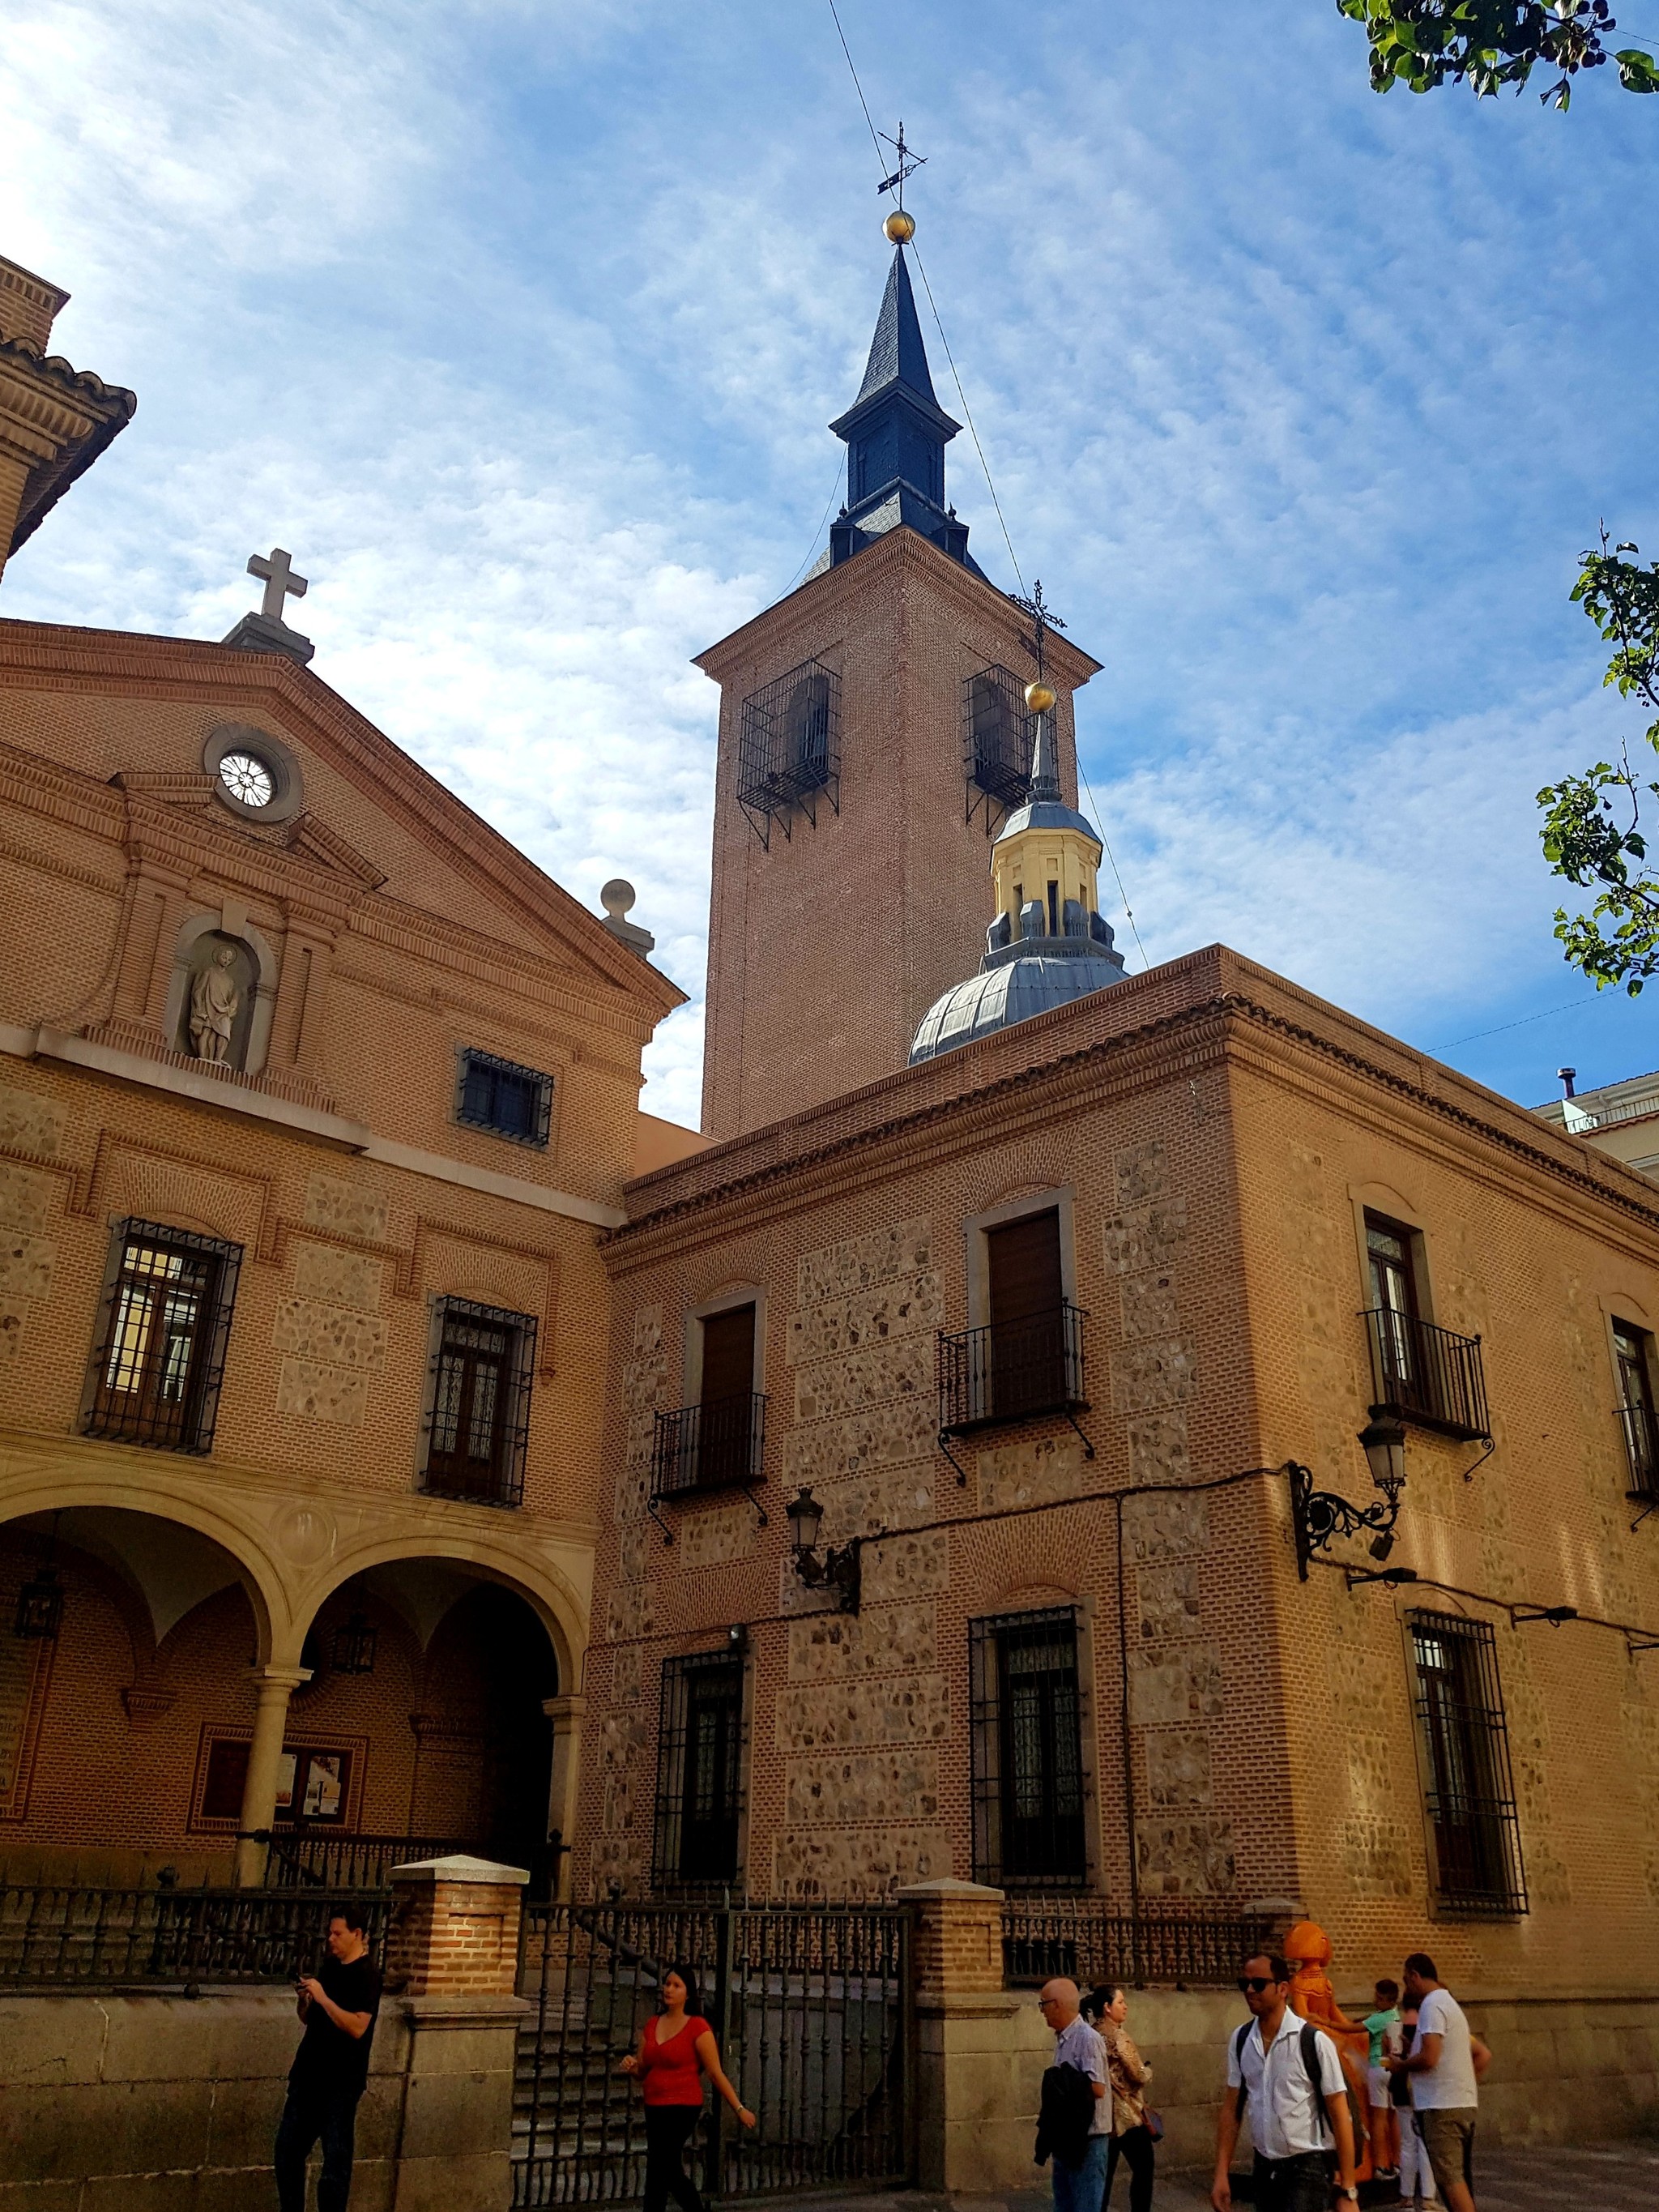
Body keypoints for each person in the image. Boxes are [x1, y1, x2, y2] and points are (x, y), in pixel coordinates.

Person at [1211, 1952, 1358, 2212]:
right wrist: (1222, 2173)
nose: (1249, 1991)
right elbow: (1232, 2110)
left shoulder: (1313, 2041)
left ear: (1282, 1989)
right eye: (1244, 1984)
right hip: (1264, 2167)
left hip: (1307, 2168)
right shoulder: (1242, 2039)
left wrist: (1348, 2187)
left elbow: (1339, 2113)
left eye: (1258, 1984)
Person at [617, 1964, 757, 2212]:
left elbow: (715, 2073)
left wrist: (739, 2108)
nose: (669, 1989)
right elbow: (642, 2071)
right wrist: (632, 2066)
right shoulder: (652, 2024)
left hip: (683, 2105)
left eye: (676, 1985)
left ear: (688, 1994)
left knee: (666, 2166)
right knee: (658, 2167)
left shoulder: (698, 2027)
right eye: (667, 1984)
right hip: (655, 2104)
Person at [274, 1906, 383, 2212]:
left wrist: (324, 1998)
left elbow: (358, 2027)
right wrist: (306, 2002)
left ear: (357, 1935)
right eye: (329, 1933)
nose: (330, 1939)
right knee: (286, 2153)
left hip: (340, 2082)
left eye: (337, 1933)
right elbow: (311, 2020)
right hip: (308, 2074)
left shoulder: (368, 1975)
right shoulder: (330, 1968)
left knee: (335, 2165)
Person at [1387, 1954, 1490, 2212]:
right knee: (1456, 2178)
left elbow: (1430, 2058)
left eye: (1405, 1980)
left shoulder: (1432, 2005)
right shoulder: (1447, 2002)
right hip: (1455, 2103)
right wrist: (1413, 2049)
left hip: (1441, 2108)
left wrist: (1401, 2065)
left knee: (1451, 2180)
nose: (1406, 1987)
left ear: (1414, 1975)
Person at [1035, 1977, 1111, 2212]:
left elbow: (1097, 2087)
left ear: (1056, 2004)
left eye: (1043, 2004)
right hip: (1066, 2138)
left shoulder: (1087, 2038)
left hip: (1087, 2141)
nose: (1042, 2011)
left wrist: (1062, 2083)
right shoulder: (1063, 2037)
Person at [1094, 1983, 1156, 2212]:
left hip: (1101, 2117)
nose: (1125, 2007)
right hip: (1126, 2116)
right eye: (1120, 2002)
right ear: (1107, 2007)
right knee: (1144, 2167)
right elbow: (1137, 2074)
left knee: (1104, 2175)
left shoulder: (1092, 2034)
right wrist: (1148, 2071)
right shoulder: (1119, 2036)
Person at [1390, 2003, 1438, 2208]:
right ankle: (1428, 2196)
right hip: (1421, 2088)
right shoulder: (1426, 2026)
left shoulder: (1397, 2026)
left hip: (1401, 2085)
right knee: (1425, 2144)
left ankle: (1406, 2195)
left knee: (1407, 2142)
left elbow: (1392, 2054)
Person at [1363, 1976, 1403, 2181]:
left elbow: (1355, 2028)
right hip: (1392, 2068)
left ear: (1386, 1999)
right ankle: (1397, 2162)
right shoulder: (1395, 2016)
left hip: (1378, 2066)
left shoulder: (1379, 2019)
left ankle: (1380, 2165)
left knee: (1378, 2119)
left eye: (1378, 1997)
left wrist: (1325, 2022)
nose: (1374, 2000)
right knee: (1394, 2117)